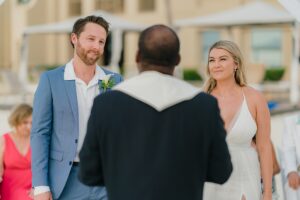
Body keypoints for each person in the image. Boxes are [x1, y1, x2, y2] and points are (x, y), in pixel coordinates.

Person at [78, 24, 233, 200]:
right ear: (177, 59)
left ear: (137, 56)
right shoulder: (205, 105)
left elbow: (88, 173)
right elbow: (222, 172)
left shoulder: (106, 104)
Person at [30, 15, 123, 200]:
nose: (96, 46)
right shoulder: (51, 80)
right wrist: (40, 185)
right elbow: (40, 133)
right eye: (91, 39)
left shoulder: (114, 81)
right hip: (66, 180)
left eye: (101, 41)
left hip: (106, 179)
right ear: (74, 38)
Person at [202, 40, 273, 200]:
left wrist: (267, 191)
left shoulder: (255, 98)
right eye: (212, 60)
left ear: (236, 64)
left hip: (245, 175)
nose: (216, 64)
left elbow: (264, 146)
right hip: (210, 180)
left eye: (223, 59)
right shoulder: (202, 100)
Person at [0, 103, 33, 200]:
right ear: (16, 121)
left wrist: (38, 187)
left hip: (33, 187)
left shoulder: (36, 140)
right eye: (25, 122)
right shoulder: (4, 140)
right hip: (11, 187)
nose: (29, 127)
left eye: (32, 123)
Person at [282, 113, 300, 200]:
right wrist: (292, 171)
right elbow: (288, 149)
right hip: (298, 172)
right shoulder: (291, 121)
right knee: (291, 187)